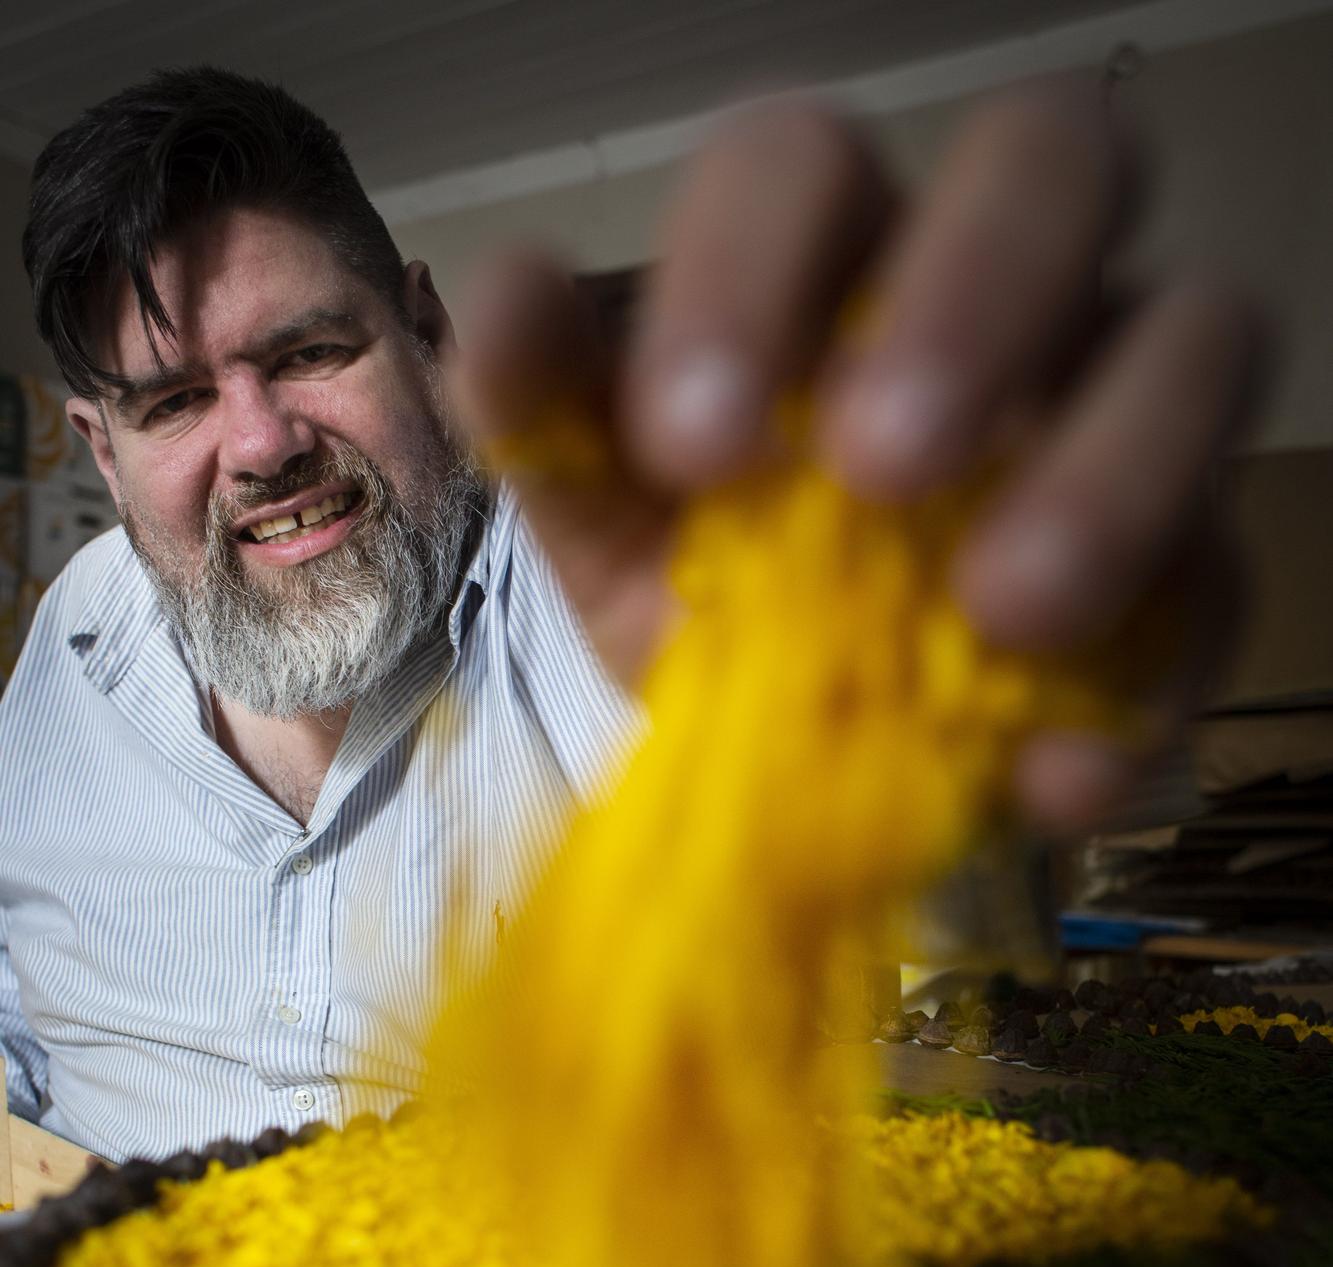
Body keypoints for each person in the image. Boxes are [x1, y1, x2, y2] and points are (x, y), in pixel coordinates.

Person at [0, 66, 1263, 1162]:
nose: (262, 443)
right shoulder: (74, 644)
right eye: (174, 403)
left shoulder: (627, 603)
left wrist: (931, 595)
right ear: (100, 456)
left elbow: (889, 813)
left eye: (309, 353)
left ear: (426, 334)